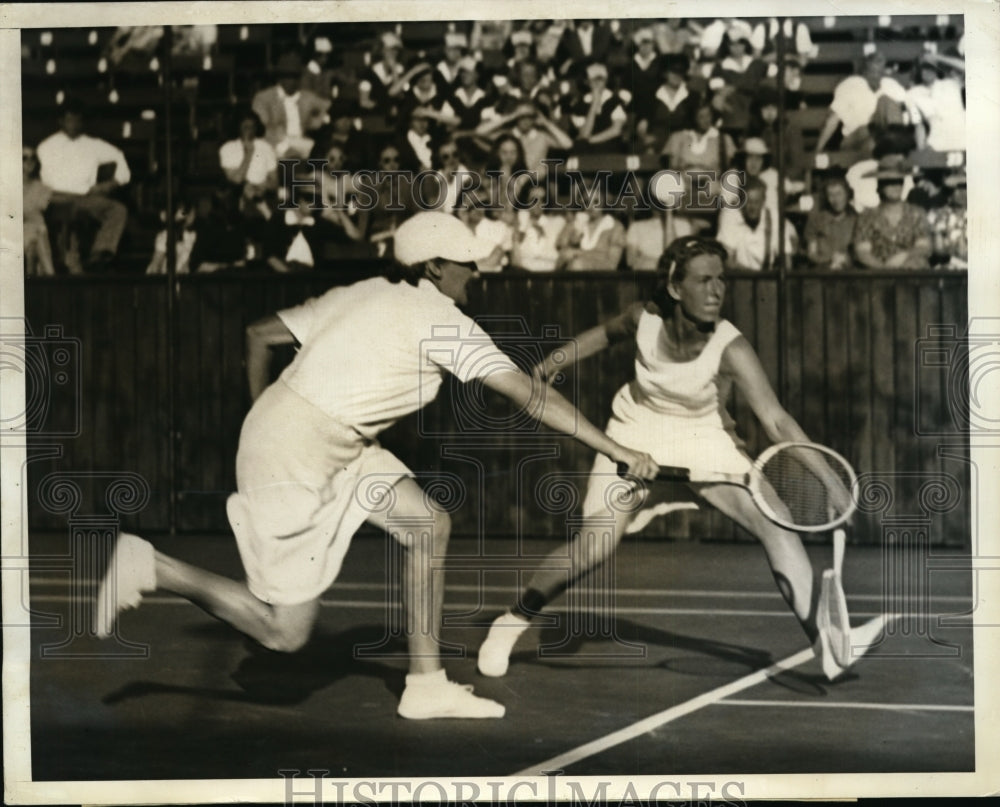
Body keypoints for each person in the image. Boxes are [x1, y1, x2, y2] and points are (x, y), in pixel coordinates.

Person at [94, 211, 657, 719]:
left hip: (326, 442)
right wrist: (618, 450)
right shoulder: (443, 321)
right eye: (468, 264)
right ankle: (153, 566)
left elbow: (258, 335)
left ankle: (425, 683)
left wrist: (265, 415)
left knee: (427, 524)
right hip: (297, 455)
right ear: (435, 267)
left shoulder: (362, 292)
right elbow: (529, 394)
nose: (477, 274)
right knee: (284, 634)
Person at [476, 236, 863, 682]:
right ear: (676, 289)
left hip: (705, 436)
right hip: (634, 430)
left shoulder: (731, 347)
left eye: (722, 279)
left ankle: (825, 644)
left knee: (775, 527)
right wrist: (551, 362)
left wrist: (833, 484)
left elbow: (777, 421)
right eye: (704, 280)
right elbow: (603, 335)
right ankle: (513, 620)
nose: (717, 290)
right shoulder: (643, 318)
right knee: (594, 546)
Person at [36, 98, 131, 272]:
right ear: (61, 121)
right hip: (56, 198)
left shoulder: (93, 145)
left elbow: (120, 157)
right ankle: (67, 259)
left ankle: (100, 253)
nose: (74, 123)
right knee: (64, 216)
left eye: (77, 119)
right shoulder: (46, 146)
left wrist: (112, 183)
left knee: (118, 210)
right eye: (70, 119)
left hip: (85, 197)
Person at [813, 51, 907, 158]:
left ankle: (894, 156)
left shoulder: (889, 84)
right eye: (872, 71)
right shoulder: (850, 85)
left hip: (883, 136)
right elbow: (832, 120)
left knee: (886, 103)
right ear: (864, 71)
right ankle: (894, 156)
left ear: (883, 72)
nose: (876, 76)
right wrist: (817, 151)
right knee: (877, 136)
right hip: (855, 137)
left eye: (879, 72)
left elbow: (904, 108)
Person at [853, 155, 932, 270]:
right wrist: (885, 271)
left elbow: (924, 246)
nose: (895, 186)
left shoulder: (917, 214)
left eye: (898, 181)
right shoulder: (867, 216)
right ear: (879, 186)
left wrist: (904, 256)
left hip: (911, 274)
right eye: (889, 182)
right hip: (877, 276)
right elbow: (863, 252)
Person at [252, 52, 331, 159]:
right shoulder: (264, 98)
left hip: (303, 145)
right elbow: (261, 128)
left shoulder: (306, 97)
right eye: (287, 76)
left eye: (295, 77)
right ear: (279, 78)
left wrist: (317, 121)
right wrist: (283, 146)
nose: (291, 81)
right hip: (275, 147)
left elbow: (328, 106)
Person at [716, 177, 796, 271]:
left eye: (756, 202)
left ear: (763, 201)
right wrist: (755, 277)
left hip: (767, 278)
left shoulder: (774, 218)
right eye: (748, 202)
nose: (752, 207)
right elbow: (728, 262)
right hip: (739, 278)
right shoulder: (730, 216)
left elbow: (786, 261)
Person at [218, 109, 279, 223]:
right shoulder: (227, 148)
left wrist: (263, 186)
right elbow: (236, 180)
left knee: (251, 193)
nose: (249, 130)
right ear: (238, 128)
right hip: (237, 194)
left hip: (262, 193)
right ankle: (262, 210)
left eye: (252, 127)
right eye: (245, 127)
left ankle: (259, 206)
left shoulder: (266, 147)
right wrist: (249, 153)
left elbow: (274, 182)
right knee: (245, 188)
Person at [905, 54, 965, 153]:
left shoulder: (951, 84)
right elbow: (918, 125)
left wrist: (939, 58)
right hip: (937, 144)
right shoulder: (912, 94)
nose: (928, 72)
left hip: (963, 140)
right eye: (924, 68)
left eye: (931, 68)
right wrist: (921, 152)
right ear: (919, 70)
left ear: (937, 69)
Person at [557, 192, 627, 271]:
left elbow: (612, 263)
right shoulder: (575, 223)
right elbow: (562, 251)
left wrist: (578, 253)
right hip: (571, 273)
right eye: (586, 202)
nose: (590, 206)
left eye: (596, 201)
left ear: (604, 202)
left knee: (577, 264)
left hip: (601, 277)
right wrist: (575, 235)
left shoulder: (615, 226)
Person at [803, 172, 857, 270]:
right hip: (822, 271)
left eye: (839, 194)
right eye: (831, 195)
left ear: (847, 194)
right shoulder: (816, 220)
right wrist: (829, 260)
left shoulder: (856, 220)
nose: (836, 199)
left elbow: (859, 251)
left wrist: (846, 259)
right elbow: (811, 253)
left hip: (849, 272)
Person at [569, 63, 628, 153]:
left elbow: (616, 130)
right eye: (593, 80)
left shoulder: (615, 101)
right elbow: (584, 134)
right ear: (587, 81)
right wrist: (595, 103)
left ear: (606, 81)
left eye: (601, 80)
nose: (597, 83)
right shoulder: (579, 106)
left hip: (611, 147)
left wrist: (590, 141)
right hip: (588, 150)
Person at [510, 185, 566, 272]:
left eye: (542, 200)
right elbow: (515, 261)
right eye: (533, 200)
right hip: (525, 272)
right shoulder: (521, 223)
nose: (538, 204)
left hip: (550, 272)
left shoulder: (556, 223)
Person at [22, 145, 55, 277]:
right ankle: (50, 275)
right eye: (24, 158)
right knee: (38, 231)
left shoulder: (44, 188)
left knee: (37, 235)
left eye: (33, 158)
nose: (30, 161)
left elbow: (33, 210)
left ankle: (46, 275)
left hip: (32, 231)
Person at [927, 171, 967, 269]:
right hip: (946, 267)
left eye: (965, 188)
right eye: (957, 189)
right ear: (949, 193)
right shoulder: (936, 215)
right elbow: (936, 249)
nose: (962, 193)